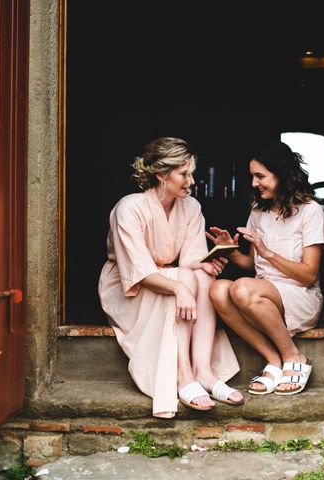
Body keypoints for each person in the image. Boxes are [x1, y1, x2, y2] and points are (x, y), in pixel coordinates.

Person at [98, 137, 243, 418]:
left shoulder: (190, 207)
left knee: (201, 279)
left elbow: (191, 260)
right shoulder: (129, 208)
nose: (190, 181)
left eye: (191, 173)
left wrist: (206, 266)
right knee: (187, 281)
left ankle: (204, 370)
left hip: (169, 275)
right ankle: (183, 375)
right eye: (183, 174)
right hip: (129, 286)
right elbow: (138, 271)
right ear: (161, 175)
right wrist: (179, 286)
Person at [208, 140, 324, 396]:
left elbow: (309, 274)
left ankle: (294, 355)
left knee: (243, 289)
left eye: (260, 176)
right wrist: (229, 251)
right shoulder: (258, 211)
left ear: (281, 174)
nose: (254, 183)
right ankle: (273, 359)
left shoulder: (311, 212)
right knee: (218, 290)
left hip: (299, 296)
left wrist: (269, 253)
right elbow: (253, 264)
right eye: (252, 176)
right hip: (261, 293)